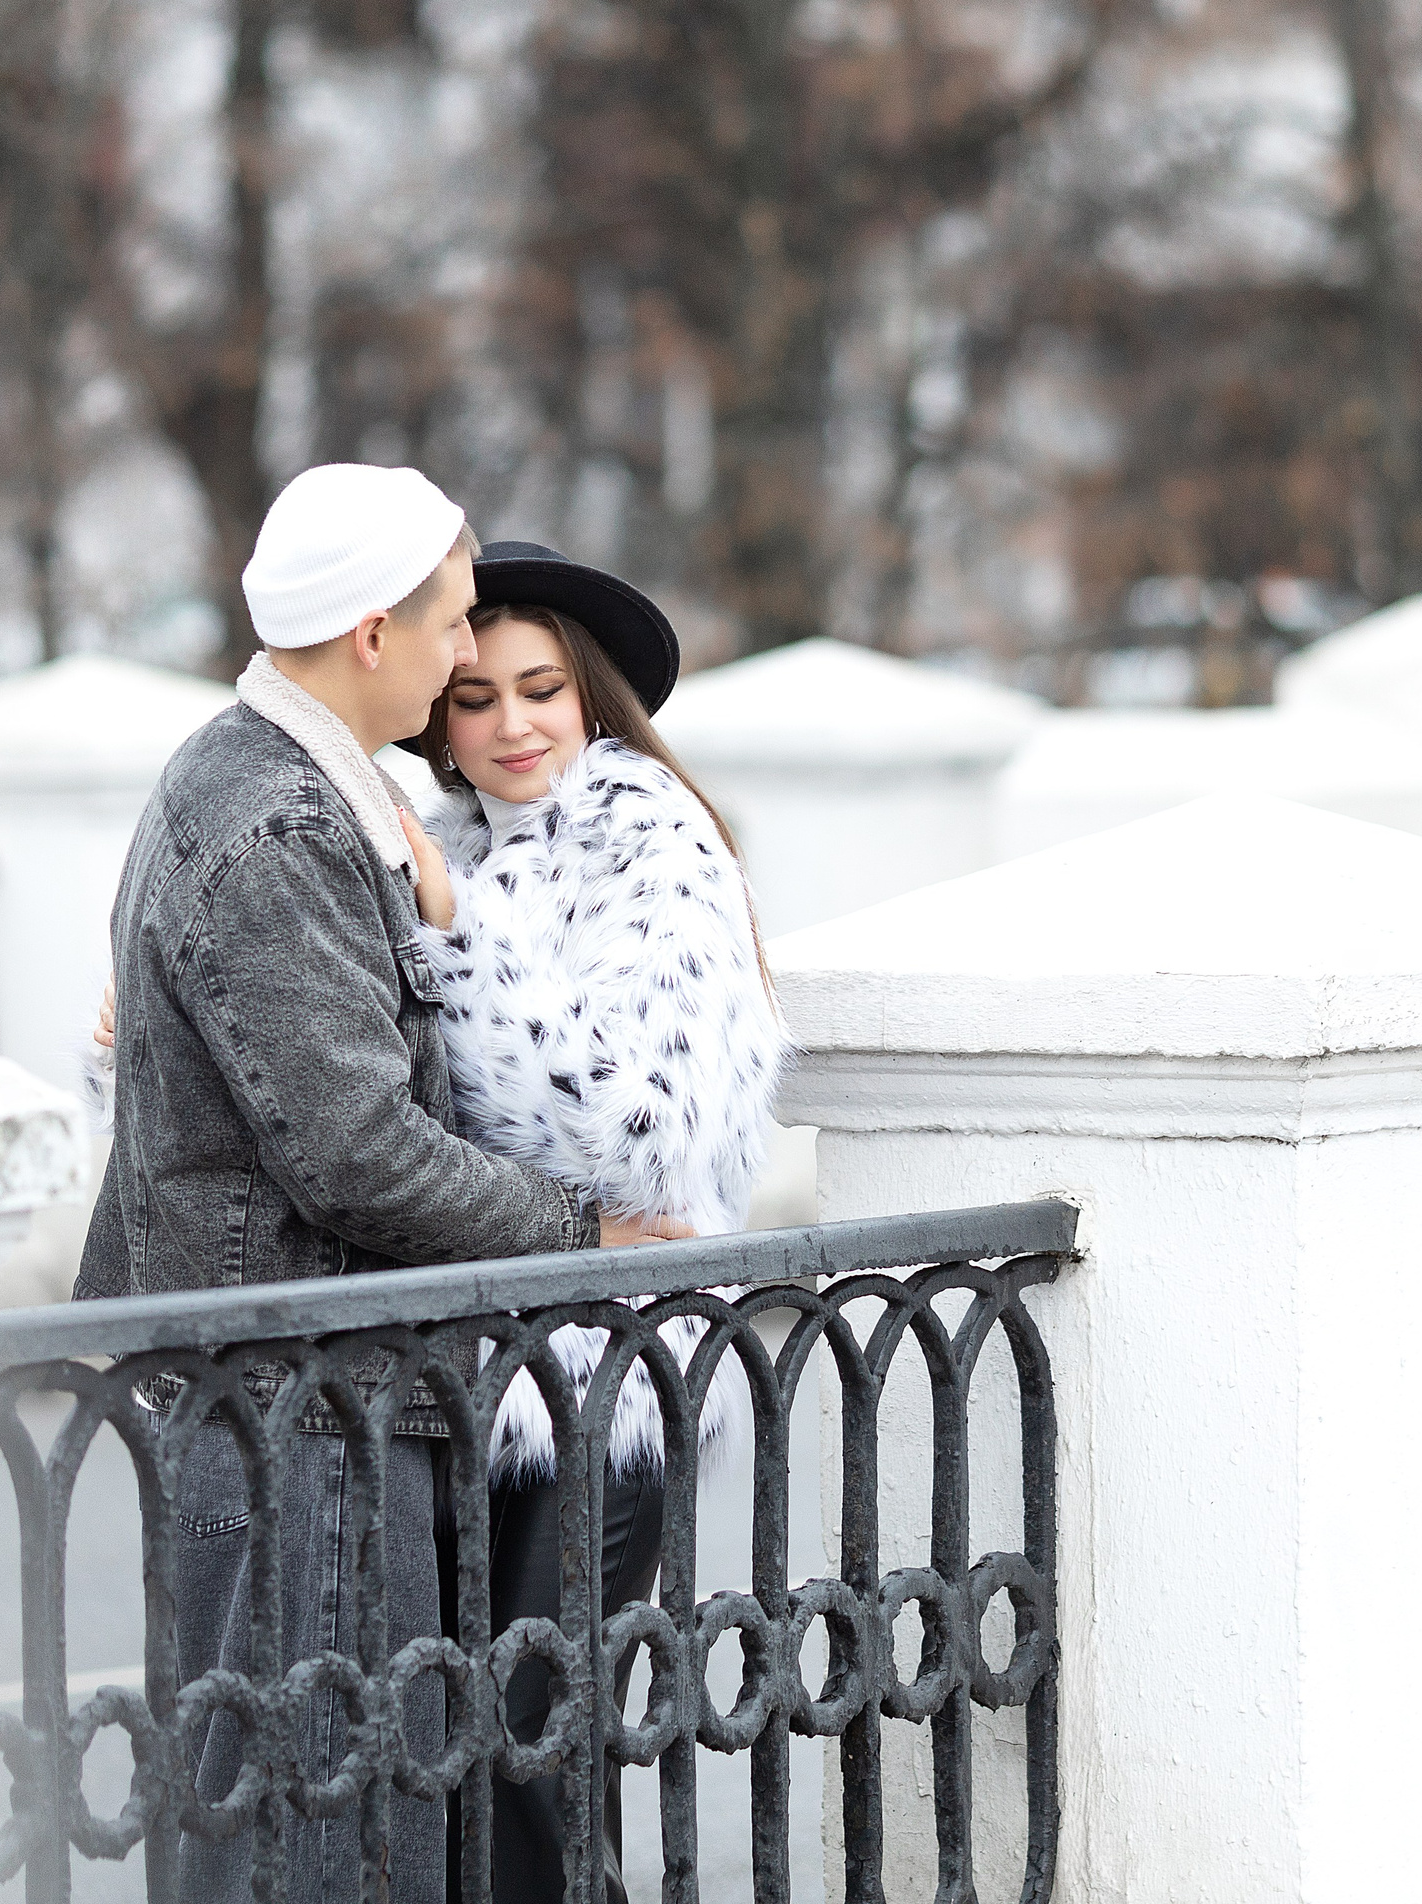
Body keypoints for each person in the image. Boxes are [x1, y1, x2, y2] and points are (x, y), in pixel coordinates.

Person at [75, 464, 683, 1904]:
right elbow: (353, 1149)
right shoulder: (280, 824)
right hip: (301, 1408)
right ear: (369, 635)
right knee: (325, 1846)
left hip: (301, 1394)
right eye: (455, 625)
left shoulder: (278, 789)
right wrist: (574, 1231)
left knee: (304, 1820)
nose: (466, 654)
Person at [407, 541, 787, 1904]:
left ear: (593, 701)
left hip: (610, 1370)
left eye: (542, 690)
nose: (511, 725)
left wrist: (460, 945)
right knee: (451, 1734)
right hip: (470, 1367)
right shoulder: (444, 847)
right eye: (473, 697)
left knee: (534, 1733)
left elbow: (643, 1134)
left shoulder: (652, 836)